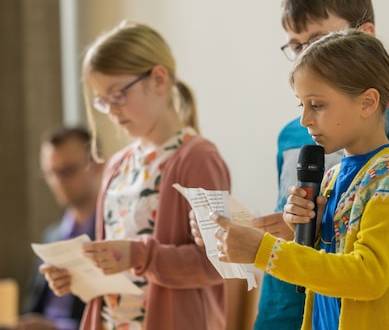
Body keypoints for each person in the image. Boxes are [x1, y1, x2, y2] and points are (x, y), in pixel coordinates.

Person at [190, 0, 389, 328]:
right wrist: (247, 230)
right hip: (286, 309)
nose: (305, 56)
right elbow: (304, 232)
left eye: (318, 41)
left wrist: (265, 246)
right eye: (296, 47)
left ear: (364, 36)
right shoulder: (294, 137)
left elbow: (368, 262)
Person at [39, 21, 241, 330]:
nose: (111, 110)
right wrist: (77, 275)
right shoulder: (118, 165)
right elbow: (114, 264)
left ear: (158, 80)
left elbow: (216, 263)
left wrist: (138, 255)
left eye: (117, 95)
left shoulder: (199, 158)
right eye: (102, 101)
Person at [18, 126, 103, 330]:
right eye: (51, 173)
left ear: (98, 165)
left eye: (68, 171)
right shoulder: (51, 235)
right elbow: (33, 306)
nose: (59, 182)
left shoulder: (111, 233)